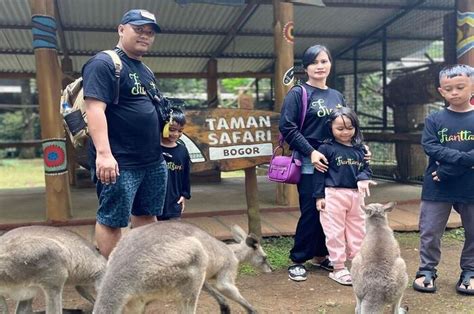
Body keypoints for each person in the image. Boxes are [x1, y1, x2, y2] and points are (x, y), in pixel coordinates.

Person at [83, 9, 167, 258]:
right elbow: (94, 109)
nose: (145, 36)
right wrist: (104, 154)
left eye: (150, 32)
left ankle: (143, 267)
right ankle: (114, 274)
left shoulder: (146, 71)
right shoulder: (104, 63)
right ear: (121, 29)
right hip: (120, 161)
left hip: (152, 160)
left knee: (146, 213)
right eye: (139, 29)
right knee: (113, 219)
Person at [279, 45, 346, 282]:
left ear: (330, 64)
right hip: (309, 161)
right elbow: (287, 127)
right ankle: (298, 259)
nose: (320, 66)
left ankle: (321, 254)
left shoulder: (337, 95)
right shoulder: (298, 93)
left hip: (334, 161)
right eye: (314, 62)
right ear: (306, 67)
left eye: (324, 61)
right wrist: (311, 152)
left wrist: (360, 147)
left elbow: (347, 125)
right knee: (310, 210)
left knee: (329, 210)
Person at [412, 64, 474, 295]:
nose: (455, 92)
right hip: (437, 186)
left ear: (472, 87)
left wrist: (450, 170)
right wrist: (465, 162)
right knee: (429, 230)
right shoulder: (434, 119)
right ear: (441, 91)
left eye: (460, 87)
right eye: (449, 89)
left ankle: (470, 271)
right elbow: (430, 147)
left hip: (468, 184)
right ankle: (426, 270)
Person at [313, 107, 376, 286]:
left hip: (356, 196)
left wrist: (364, 179)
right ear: (330, 128)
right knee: (334, 232)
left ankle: (358, 265)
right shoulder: (326, 148)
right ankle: (338, 267)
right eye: (340, 128)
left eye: (350, 127)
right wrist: (319, 196)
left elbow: (366, 168)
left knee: (358, 230)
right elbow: (319, 174)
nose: (345, 132)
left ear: (356, 127)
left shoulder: (360, 149)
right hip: (333, 195)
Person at [158, 108, 191, 220]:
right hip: (153, 202)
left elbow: (186, 175)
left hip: (173, 204)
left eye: (180, 131)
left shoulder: (182, 151)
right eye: (172, 129)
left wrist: (184, 195)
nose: (176, 134)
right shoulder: (152, 149)